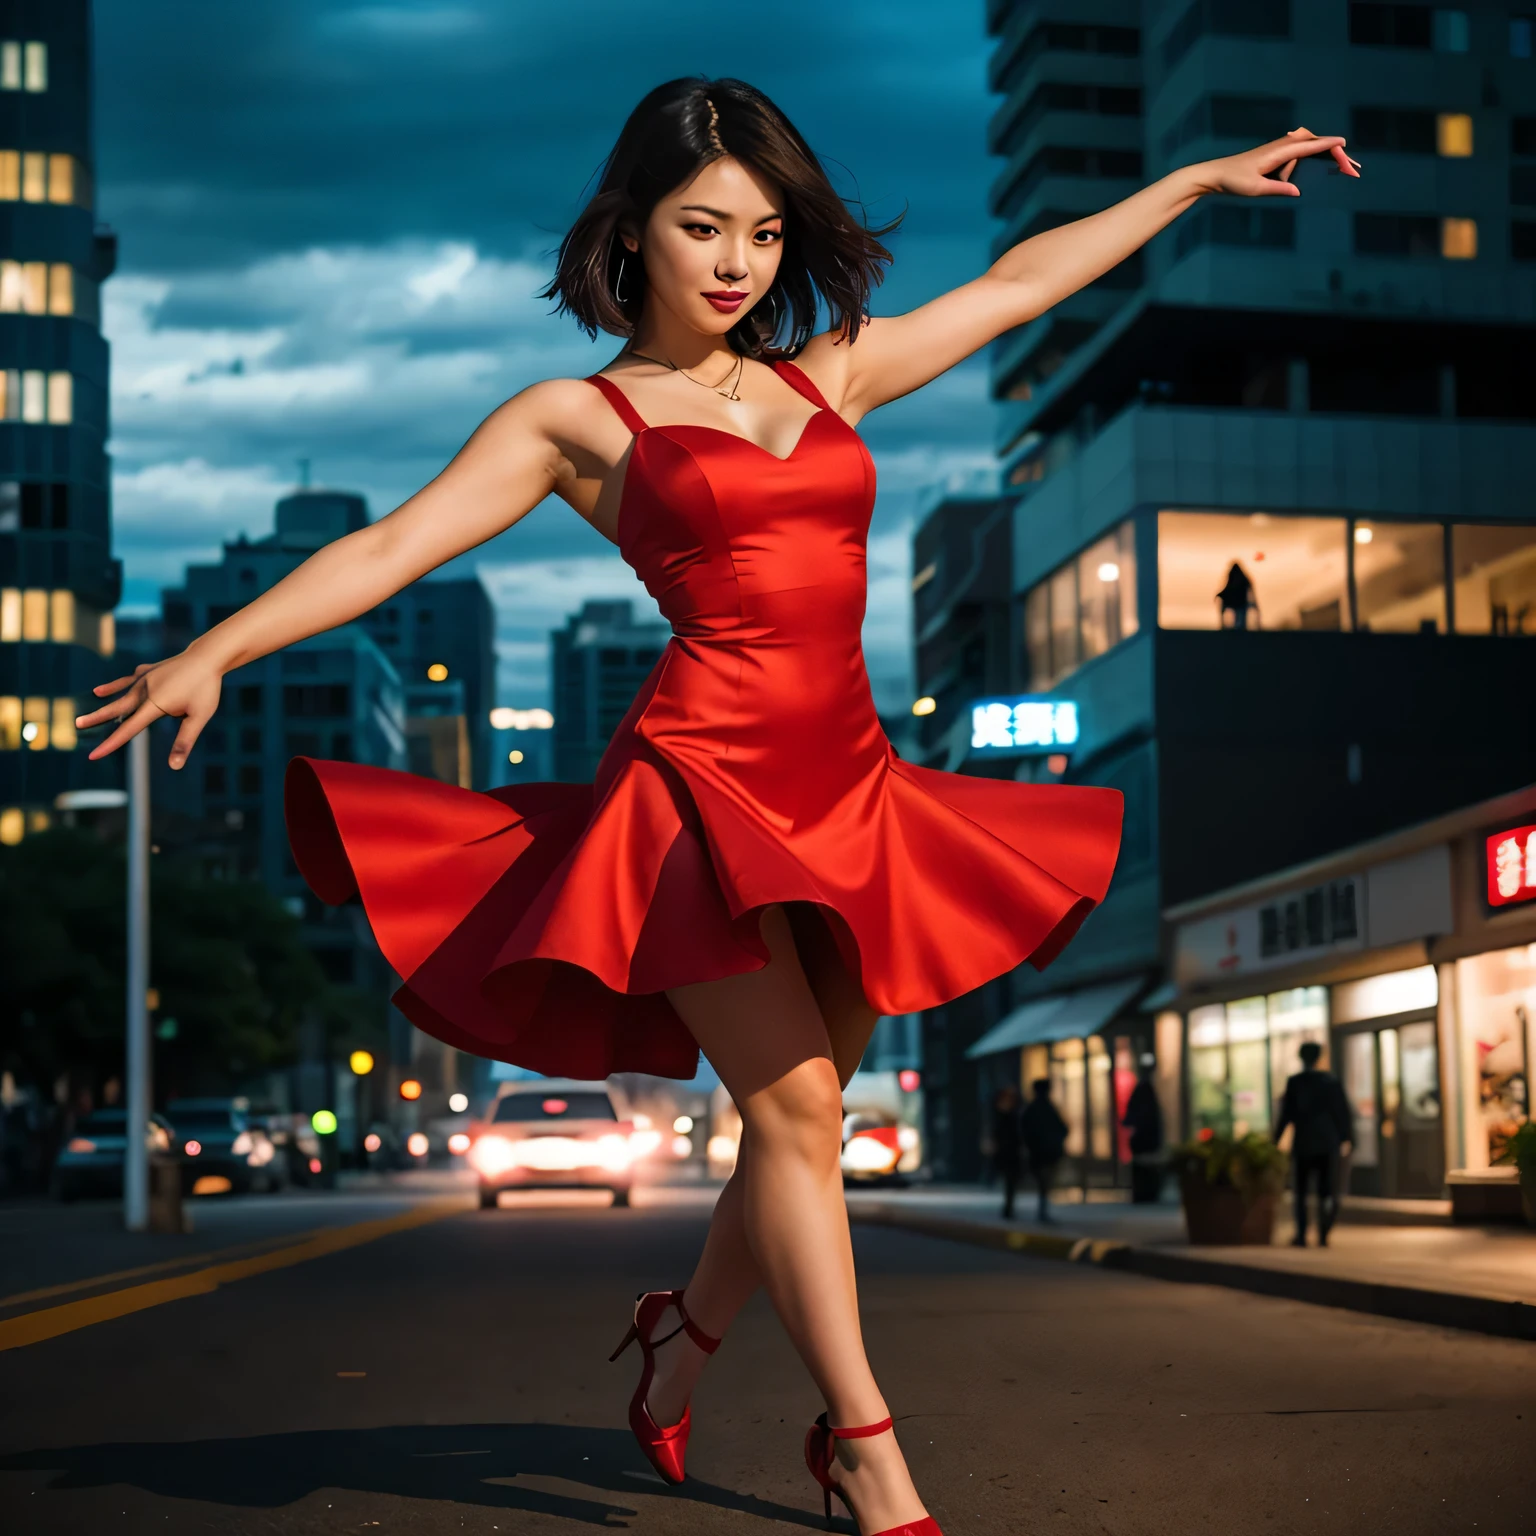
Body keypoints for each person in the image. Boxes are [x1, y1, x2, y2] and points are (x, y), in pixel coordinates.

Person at [74, 76, 1355, 1536]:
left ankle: (678, 1344)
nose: (738, 261)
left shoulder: (831, 375)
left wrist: (1192, 181)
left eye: (760, 230)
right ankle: (868, 1450)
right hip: (692, 790)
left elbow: (1019, 280)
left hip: (849, 788)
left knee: (788, 1132)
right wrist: (213, 653)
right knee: (802, 1107)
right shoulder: (579, 418)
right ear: (635, 232)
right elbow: (397, 543)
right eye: (702, 228)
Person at [1275, 1041, 1354, 1247]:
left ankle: (1302, 1234)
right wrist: (1347, 1138)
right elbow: (1342, 1113)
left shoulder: (1295, 1082)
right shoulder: (1331, 1082)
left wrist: (1275, 1141)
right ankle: (1323, 1232)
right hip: (1328, 1143)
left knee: (1300, 1192)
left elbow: (1286, 1115)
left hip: (1303, 1143)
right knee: (1327, 1191)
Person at [1019, 1078, 1069, 1223]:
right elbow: (1063, 1128)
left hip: (1039, 1152)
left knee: (1043, 1182)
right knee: (1045, 1182)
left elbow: (1024, 1131)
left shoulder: (1032, 1109)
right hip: (1047, 1152)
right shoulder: (1048, 1108)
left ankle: (1043, 1210)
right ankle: (1043, 1211)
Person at [1121, 1055, 1165, 1204]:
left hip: (1146, 1139)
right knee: (1143, 1169)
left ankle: (1145, 1194)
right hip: (1144, 1139)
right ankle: (1144, 1194)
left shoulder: (1146, 1088)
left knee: (1146, 1169)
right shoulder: (1143, 1089)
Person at [990, 1085, 1023, 1219]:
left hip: (1011, 1153)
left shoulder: (1012, 1115)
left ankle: (1009, 1207)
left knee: (1011, 1182)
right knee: (1009, 1182)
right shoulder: (1002, 1116)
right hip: (1007, 1153)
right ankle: (1008, 1208)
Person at [1217, 561, 1258, 629]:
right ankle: (1226, 626)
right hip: (1234, 602)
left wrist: (1254, 603)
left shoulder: (1244, 580)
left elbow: (1251, 593)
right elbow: (1226, 590)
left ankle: (1240, 627)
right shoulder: (1233, 578)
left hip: (1241, 603)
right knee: (1240, 616)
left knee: (1241, 616)